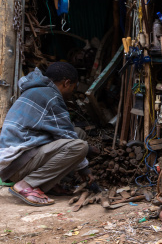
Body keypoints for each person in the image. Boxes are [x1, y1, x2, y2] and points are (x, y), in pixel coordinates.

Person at [0, 62, 93, 206]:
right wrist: (85, 169)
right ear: (66, 83)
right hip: (17, 164)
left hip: (16, 160)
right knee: (80, 146)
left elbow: (67, 132)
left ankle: (48, 184)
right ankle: (26, 185)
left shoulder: (37, 90)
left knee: (78, 133)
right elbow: (67, 136)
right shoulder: (51, 96)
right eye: (73, 87)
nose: (72, 92)